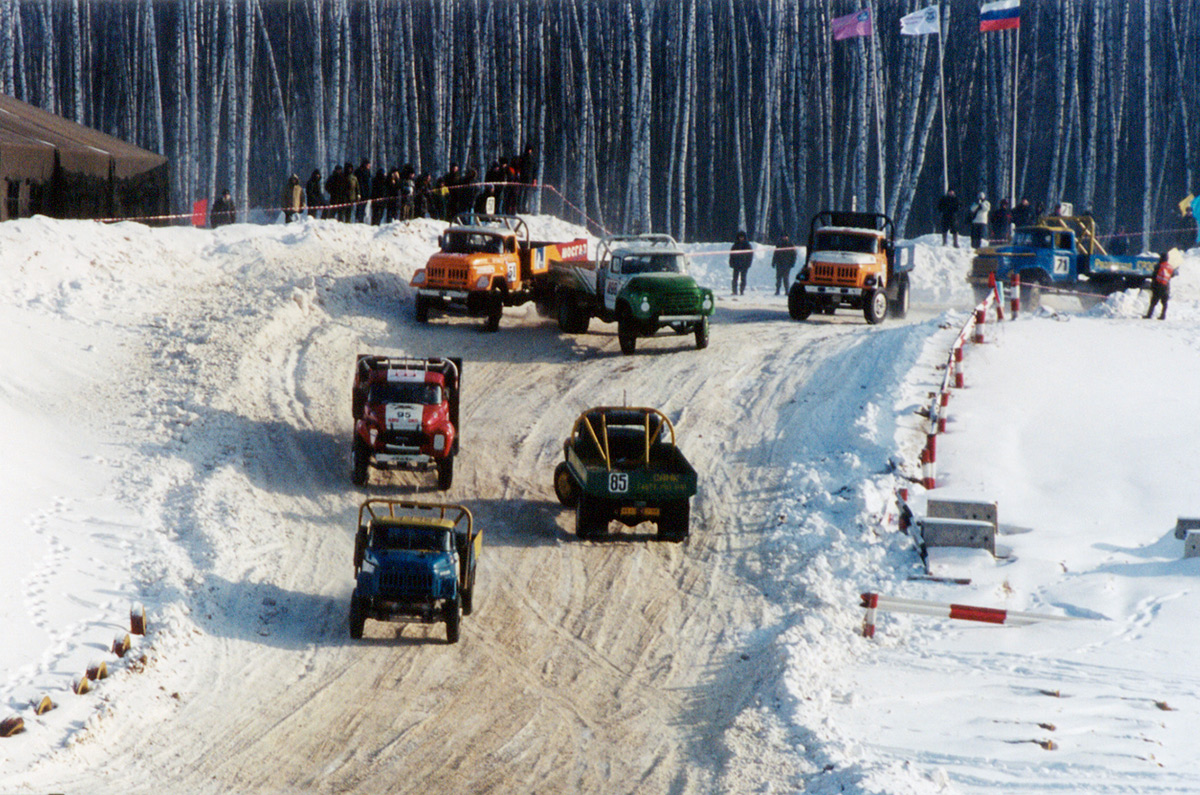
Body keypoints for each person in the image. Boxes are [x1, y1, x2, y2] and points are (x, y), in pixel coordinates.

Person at [1145, 252, 1177, 320]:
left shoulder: (1159, 265)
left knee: (1153, 302)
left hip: (1158, 285)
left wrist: (1152, 284)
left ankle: (1149, 315)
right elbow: (1172, 275)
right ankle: (1163, 315)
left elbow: (1154, 275)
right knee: (1164, 302)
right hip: (1166, 286)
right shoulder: (1170, 267)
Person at [729, 230, 753, 296]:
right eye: (740, 237)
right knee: (734, 279)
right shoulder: (735, 245)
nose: (741, 238)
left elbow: (750, 256)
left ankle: (742, 291)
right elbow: (731, 255)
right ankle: (734, 291)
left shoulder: (748, 246)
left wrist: (748, 264)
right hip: (736, 264)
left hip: (744, 265)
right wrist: (731, 263)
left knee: (743, 279)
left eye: (742, 237)